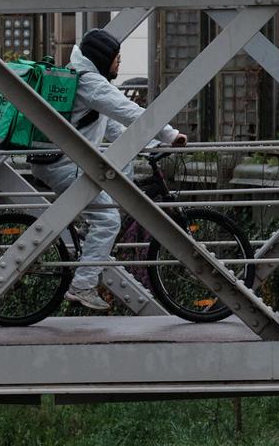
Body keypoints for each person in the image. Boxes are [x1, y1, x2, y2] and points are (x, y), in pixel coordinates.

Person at [28, 28, 188, 311]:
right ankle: (82, 286)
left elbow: (112, 127)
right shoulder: (91, 84)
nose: (119, 63)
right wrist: (169, 135)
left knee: (112, 190)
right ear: (102, 59)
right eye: (116, 57)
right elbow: (130, 111)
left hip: (56, 161)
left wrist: (150, 143)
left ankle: (89, 238)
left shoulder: (83, 77)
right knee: (108, 220)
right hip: (63, 165)